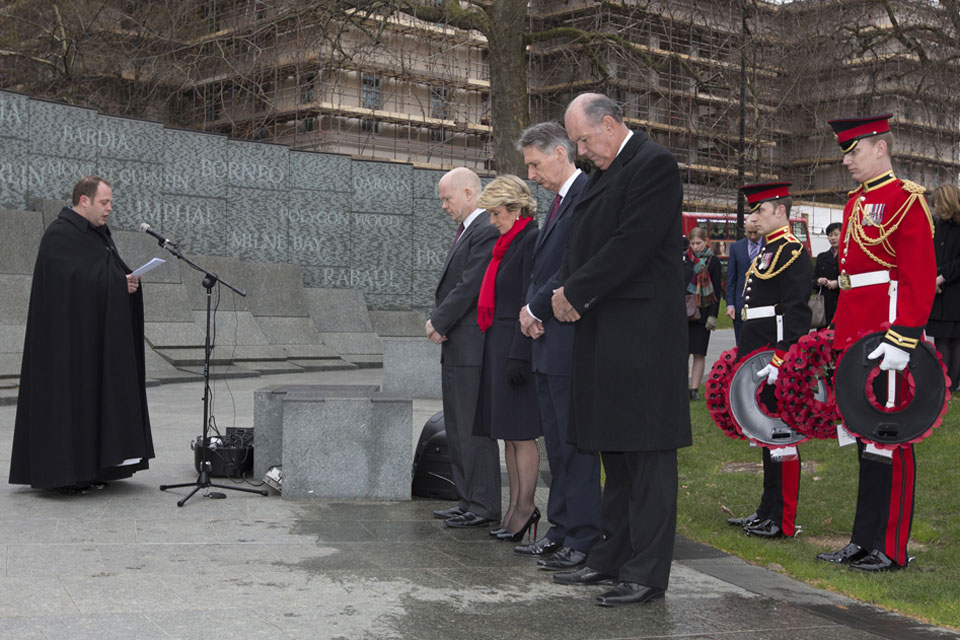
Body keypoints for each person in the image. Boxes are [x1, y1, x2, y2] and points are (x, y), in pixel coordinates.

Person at [550, 93, 692, 606]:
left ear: (609, 124)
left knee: (649, 456)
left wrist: (575, 291)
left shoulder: (652, 165)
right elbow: (580, 242)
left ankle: (647, 573)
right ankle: (612, 557)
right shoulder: (600, 174)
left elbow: (630, 244)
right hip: (606, 332)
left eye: (584, 140)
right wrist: (566, 289)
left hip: (643, 338)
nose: (581, 152)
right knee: (616, 451)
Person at [817, 114, 936, 572]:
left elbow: (918, 276)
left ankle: (891, 547)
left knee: (892, 439)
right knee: (867, 439)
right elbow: (851, 279)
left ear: (880, 148)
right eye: (845, 153)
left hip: (890, 334)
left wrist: (904, 337)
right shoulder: (855, 202)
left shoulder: (906, 200)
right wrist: (841, 340)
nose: (847, 161)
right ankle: (862, 540)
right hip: (858, 335)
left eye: (854, 151)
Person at [9, 176, 154, 491]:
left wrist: (123, 283)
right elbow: (69, 286)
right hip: (64, 345)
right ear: (84, 201)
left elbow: (100, 276)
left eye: (110, 202)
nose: (109, 209)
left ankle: (93, 467)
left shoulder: (97, 235)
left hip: (91, 341)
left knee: (93, 400)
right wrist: (115, 284)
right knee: (69, 403)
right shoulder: (60, 235)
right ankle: (64, 474)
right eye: (105, 202)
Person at [515, 122, 602, 569]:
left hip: (569, 338)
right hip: (550, 340)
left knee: (574, 445)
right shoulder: (560, 201)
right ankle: (562, 526)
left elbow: (572, 264)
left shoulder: (585, 194)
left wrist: (534, 309)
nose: (531, 174)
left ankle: (584, 534)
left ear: (560, 153)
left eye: (534, 163)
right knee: (556, 443)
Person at [725, 183, 812, 539]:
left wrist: (782, 356)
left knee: (782, 436)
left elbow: (796, 311)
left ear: (779, 211)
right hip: (758, 352)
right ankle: (766, 509)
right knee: (765, 435)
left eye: (759, 210)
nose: (752, 216)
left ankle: (783, 518)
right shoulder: (767, 251)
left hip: (774, 355)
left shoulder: (792, 251)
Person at [427, 167, 502, 528]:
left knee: (473, 429)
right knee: (457, 426)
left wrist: (439, 321)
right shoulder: (468, 230)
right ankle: (467, 499)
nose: (443, 205)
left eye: (447, 198)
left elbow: (470, 285)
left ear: (470, 193)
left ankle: (483, 504)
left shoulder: (485, 229)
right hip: (459, 347)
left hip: (472, 348)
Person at [472, 175, 541, 541]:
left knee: (522, 433)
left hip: (517, 346)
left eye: (496, 213)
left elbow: (527, 299)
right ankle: (515, 508)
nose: (492, 221)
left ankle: (526, 508)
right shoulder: (506, 242)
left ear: (515, 210)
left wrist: (518, 352)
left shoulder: (530, 240)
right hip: (499, 344)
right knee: (508, 436)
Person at [925, 183, 960, 390]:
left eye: (942, 204)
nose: (939, 208)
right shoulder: (935, 225)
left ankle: (953, 383)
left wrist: (942, 277)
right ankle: (944, 382)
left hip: (955, 291)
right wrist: (931, 278)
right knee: (940, 338)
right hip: (938, 293)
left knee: (956, 340)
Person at [685, 226, 722, 400]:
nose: (695, 247)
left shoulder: (713, 261)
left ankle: (694, 389)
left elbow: (716, 291)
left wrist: (713, 315)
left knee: (699, 352)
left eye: (698, 243)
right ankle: (681, 385)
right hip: (684, 311)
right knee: (682, 351)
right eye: (692, 243)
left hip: (704, 311)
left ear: (705, 241)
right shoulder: (685, 259)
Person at [726, 217, 764, 341]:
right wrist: (730, 304)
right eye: (749, 233)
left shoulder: (770, 246)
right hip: (741, 305)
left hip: (763, 305)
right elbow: (731, 278)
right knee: (741, 346)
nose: (752, 236)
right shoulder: (736, 247)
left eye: (755, 232)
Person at [812, 222, 842, 326]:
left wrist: (838, 283)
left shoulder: (849, 256)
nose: (833, 238)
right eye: (830, 235)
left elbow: (854, 279)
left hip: (842, 302)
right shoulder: (822, 257)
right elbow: (812, 281)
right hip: (824, 306)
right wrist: (818, 281)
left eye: (836, 234)